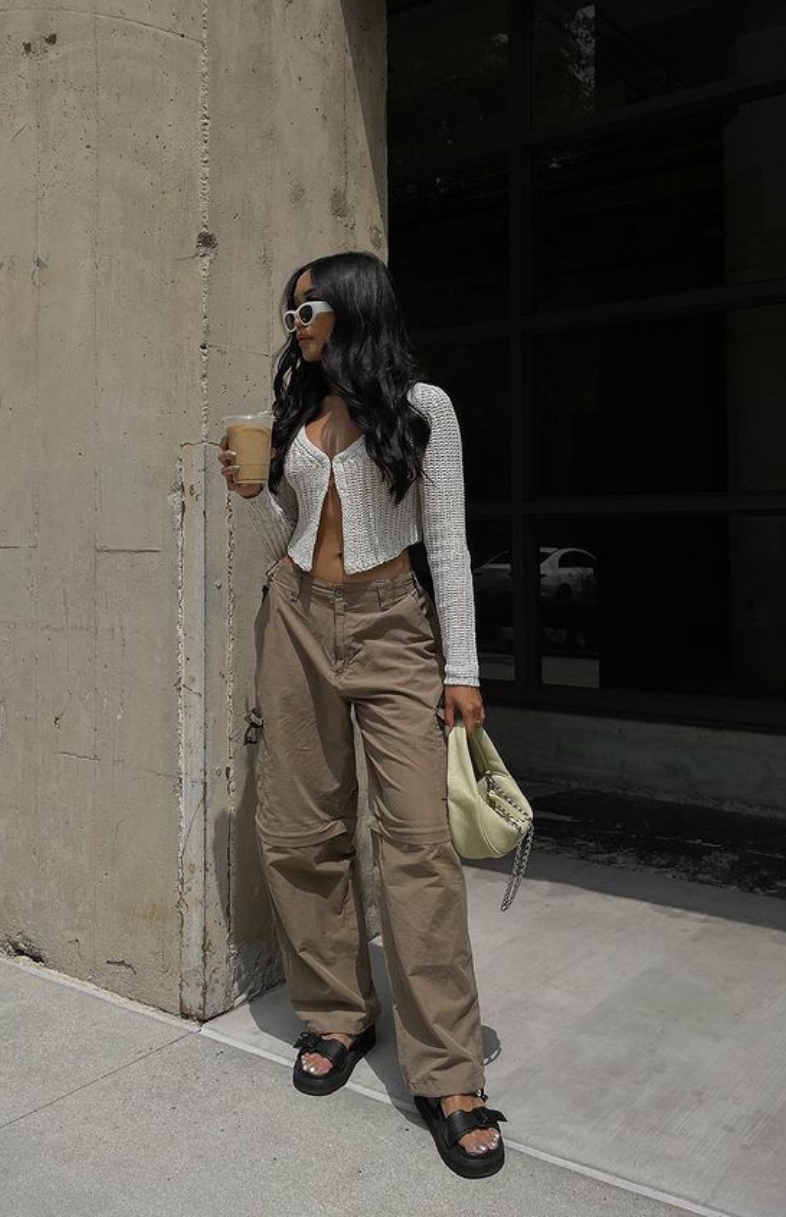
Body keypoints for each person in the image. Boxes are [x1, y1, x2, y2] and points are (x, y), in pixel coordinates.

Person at [218, 251, 508, 1179]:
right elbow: (294, 529)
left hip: (392, 629)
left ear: (352, 307)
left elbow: (451, 544)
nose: (293, 320)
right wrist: (257, 491)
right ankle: (337, 1012)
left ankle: (449, 1073)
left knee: (417, 841)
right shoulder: (298, 413)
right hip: (296, 618)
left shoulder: (425, 408)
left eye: (307, 304)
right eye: (289, 307)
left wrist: (460, 666)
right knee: (300, 830)